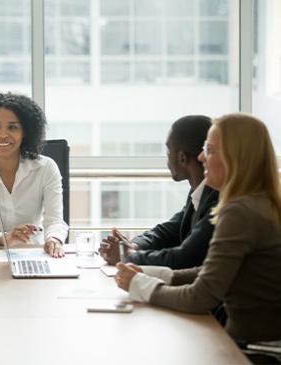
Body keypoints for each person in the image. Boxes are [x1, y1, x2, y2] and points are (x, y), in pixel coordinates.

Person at [115, 113, 281, 344]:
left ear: (236, 158)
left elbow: (201, 296)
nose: (202, 157)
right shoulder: (257, 202)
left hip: (255, 351)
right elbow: (207, 271)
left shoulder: (240, 212)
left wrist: (139, 285)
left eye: (210, 150)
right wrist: (147, 273)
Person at [0, 91, 68, 258]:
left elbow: (55, 220)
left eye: (13, 127)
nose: (3, 134)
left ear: (25, 132)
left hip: (34, 254)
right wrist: (5, 239)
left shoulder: (46, 168)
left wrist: (53, 239)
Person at [99, 115, 219, 269]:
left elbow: (185, 257)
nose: (167, 159)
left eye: (168, 151)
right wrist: (133, 246)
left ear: (182, 158)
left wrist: (128, 256)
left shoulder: (217, 199)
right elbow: (169, 231)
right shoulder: (199, 191)